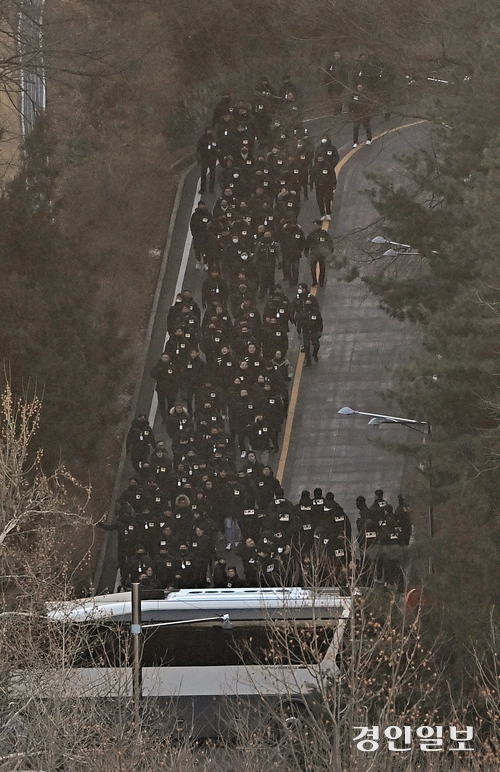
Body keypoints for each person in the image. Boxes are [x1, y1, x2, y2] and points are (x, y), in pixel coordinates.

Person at [305, 220, 334, 287]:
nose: (315, 227)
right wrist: (306, 252)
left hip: (322, 254)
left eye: (316, 225)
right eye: (314, 225)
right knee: (312, 268)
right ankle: (314, 281)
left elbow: (330, 242)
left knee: (322, 268)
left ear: (320, 225)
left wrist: (330, 251)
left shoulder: (324, 234)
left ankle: (321, 281)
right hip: (314, 253)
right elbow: (307, 244)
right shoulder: (311, 234)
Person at [296, 299, 323, 366]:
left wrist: (320, 330)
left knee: (316, 345)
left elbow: (320, 322)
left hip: (314, 331)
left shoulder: (316, 312)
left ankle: (314, 354)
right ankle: (308, 360)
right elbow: (299, 323)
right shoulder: (302, 313)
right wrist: (299, 331)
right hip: (306, 332)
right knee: (306, 347)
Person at [311, 154, 336, 221]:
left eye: (321, 159)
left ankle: (328, 213)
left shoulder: (328, 166)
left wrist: (334, 184)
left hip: (328, 186)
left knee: (328, 199)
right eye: (319, 159)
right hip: (319, 186)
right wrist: (311, 185)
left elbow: (332, 175)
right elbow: (312, 176)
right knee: (320, 200)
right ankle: (322, 214)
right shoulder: (315, 167)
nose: (320, 160)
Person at [190, 201, 211, 270]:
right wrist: (194, 234)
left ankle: (205, 263)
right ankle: (199, 262)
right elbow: (192, 225)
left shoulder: (208, 215)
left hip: (206, 236)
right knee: (197, 250)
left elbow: (211, 224)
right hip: (197, 237)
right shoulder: (195, 215)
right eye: (200, 205)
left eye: (203, 205)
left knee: (206, 250)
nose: (201, 207)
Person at [196, 127, 218, 193]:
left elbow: (217, 148)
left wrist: (216, 154)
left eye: (210, 130)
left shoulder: (214, 139)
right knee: (203, 173)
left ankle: (211, 188)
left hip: (212, 158)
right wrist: (199, 158)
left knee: (213, 174)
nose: (209, 132)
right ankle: (202, 188)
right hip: (205, 158)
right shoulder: (202, 140)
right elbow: (198, 149)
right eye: (208, 130)